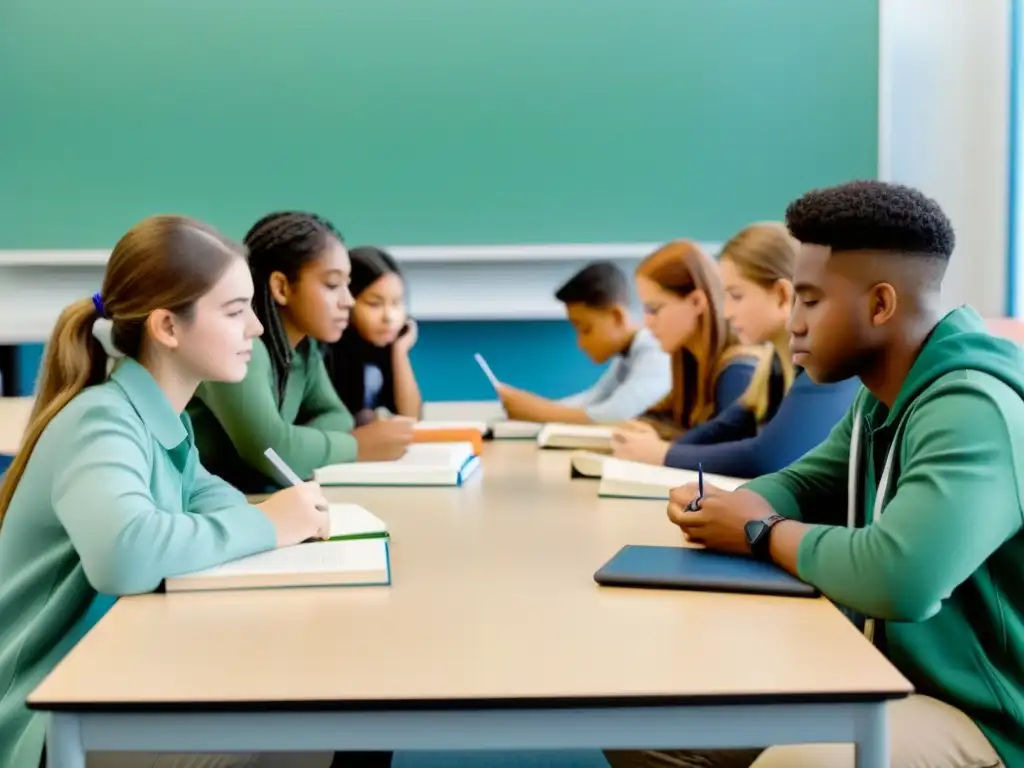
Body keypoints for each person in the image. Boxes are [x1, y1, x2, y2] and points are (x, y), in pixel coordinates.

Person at [607, 180, 1024, 767]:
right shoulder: (881, 398)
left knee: (798, 763)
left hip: (986, 717)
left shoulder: (972, 408)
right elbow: (799, 485)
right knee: (646, 722)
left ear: (880, 305)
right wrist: (738, 510)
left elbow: (899, 577)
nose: (793, 321)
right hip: (880, 669)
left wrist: (760, 531)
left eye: (810, 299)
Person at [0, 215, 336, 768]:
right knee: (297, 732)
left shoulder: (164, 422)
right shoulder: (103, 422)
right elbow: (124, 555)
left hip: (111, 678)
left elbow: (218, 503)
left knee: (313, 718)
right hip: (46, 717)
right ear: (168, 327)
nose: (256, 327)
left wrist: (268, 520)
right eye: (234, 312)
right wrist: (273, 523)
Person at [188, 212, 413, 493]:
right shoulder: (243, 347)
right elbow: (276, 452)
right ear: (282, 287)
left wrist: (297, 444)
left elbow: (338, 416)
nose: (348, 301)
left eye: (348, 284)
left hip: (254, 500)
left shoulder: (305, 350)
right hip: (199, 509)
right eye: (332, 285)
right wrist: (357, 445)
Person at [659, 222, 859, 477]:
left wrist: (663, 455)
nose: (727, 313)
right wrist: (658, 450)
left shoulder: (828, 364)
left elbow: (767, 458)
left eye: (736, 296)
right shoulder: (773, 365)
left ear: (781, 295)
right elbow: (729, 425)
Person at [609, 240, 762, 460]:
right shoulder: (690, 362)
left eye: (654, 309)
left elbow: (731, 456)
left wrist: (658, 448)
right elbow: (659, 420)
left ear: (696, 301)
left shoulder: (738, 371)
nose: (647, 322)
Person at [496, 261, 671, 423]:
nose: (581, 343)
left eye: (585, 329)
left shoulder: (657, 352)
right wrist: (531, 406)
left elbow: (619, 414)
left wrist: (539, 412)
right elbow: (594, 399)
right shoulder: (627, 354)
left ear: (617, 316)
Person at [324, 246, 422, 422]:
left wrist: (400, 353)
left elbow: (411, 419)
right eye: (374, 304)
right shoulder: (326, 351)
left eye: (396, 303)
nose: (389, 317)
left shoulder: (384, 347)